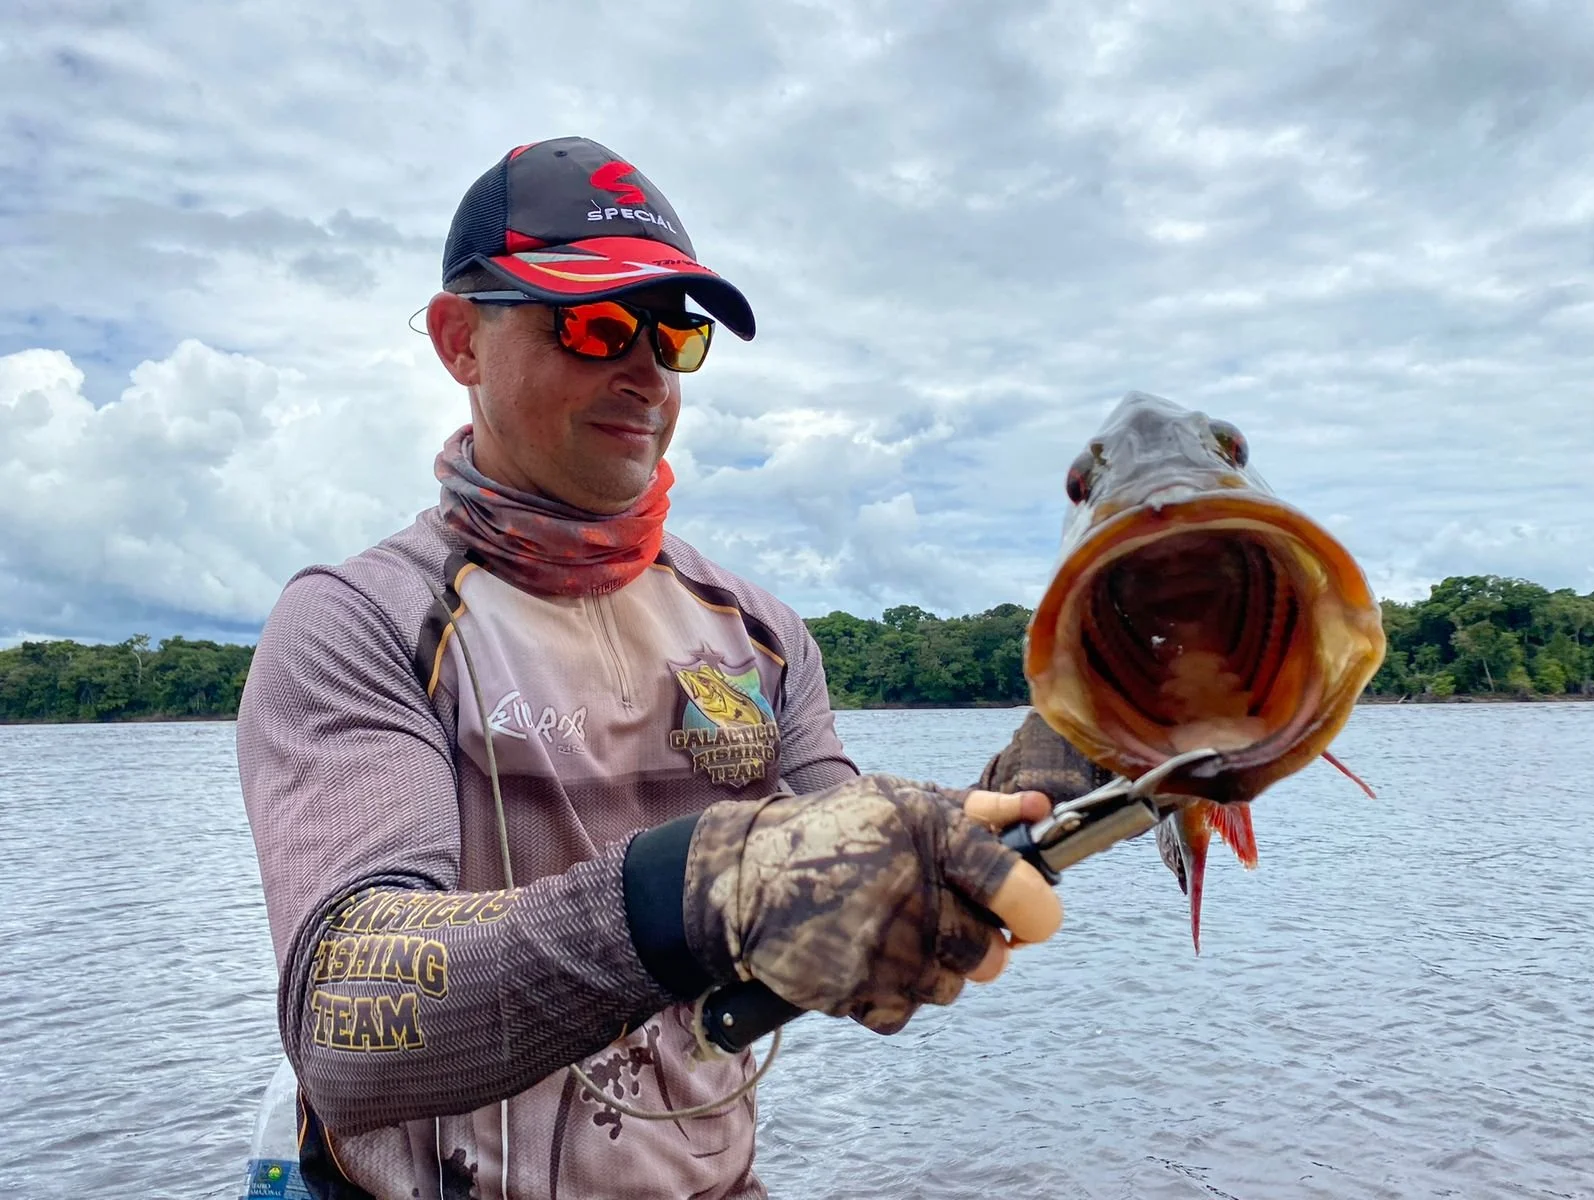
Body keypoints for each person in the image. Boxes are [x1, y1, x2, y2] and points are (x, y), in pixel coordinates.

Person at [237, 136, 1092, 1200]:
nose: (642, 371)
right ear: (459, 340)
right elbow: (345, 1019)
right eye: (593, 325)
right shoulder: (361, 620)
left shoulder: (759, 634)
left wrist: (1078, 750)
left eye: (673, 334)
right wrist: (691, 890)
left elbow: (853, 850)